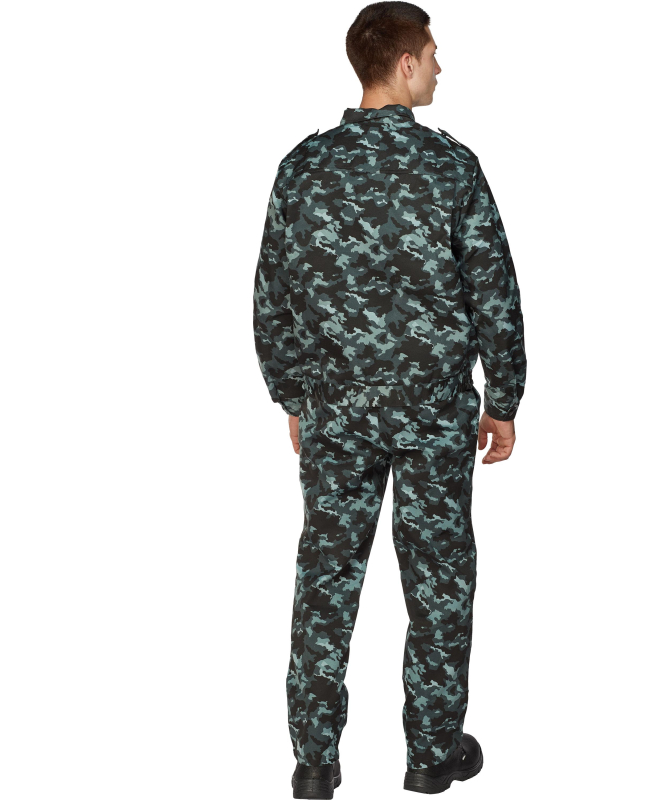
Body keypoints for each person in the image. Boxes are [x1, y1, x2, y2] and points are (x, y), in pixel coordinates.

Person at [253, 2, 527, 796]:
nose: (440, 67)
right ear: (405, 63)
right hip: (434, 414)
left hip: (336, 412)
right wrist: (504, 399)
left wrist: (293, 396)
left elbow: (272, 298)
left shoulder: (303, 168)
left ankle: (314, 763)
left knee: (325, 579)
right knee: (438, 580)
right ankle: (432, 755)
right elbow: (495, 295)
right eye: (433, 54)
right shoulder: (450, 167)